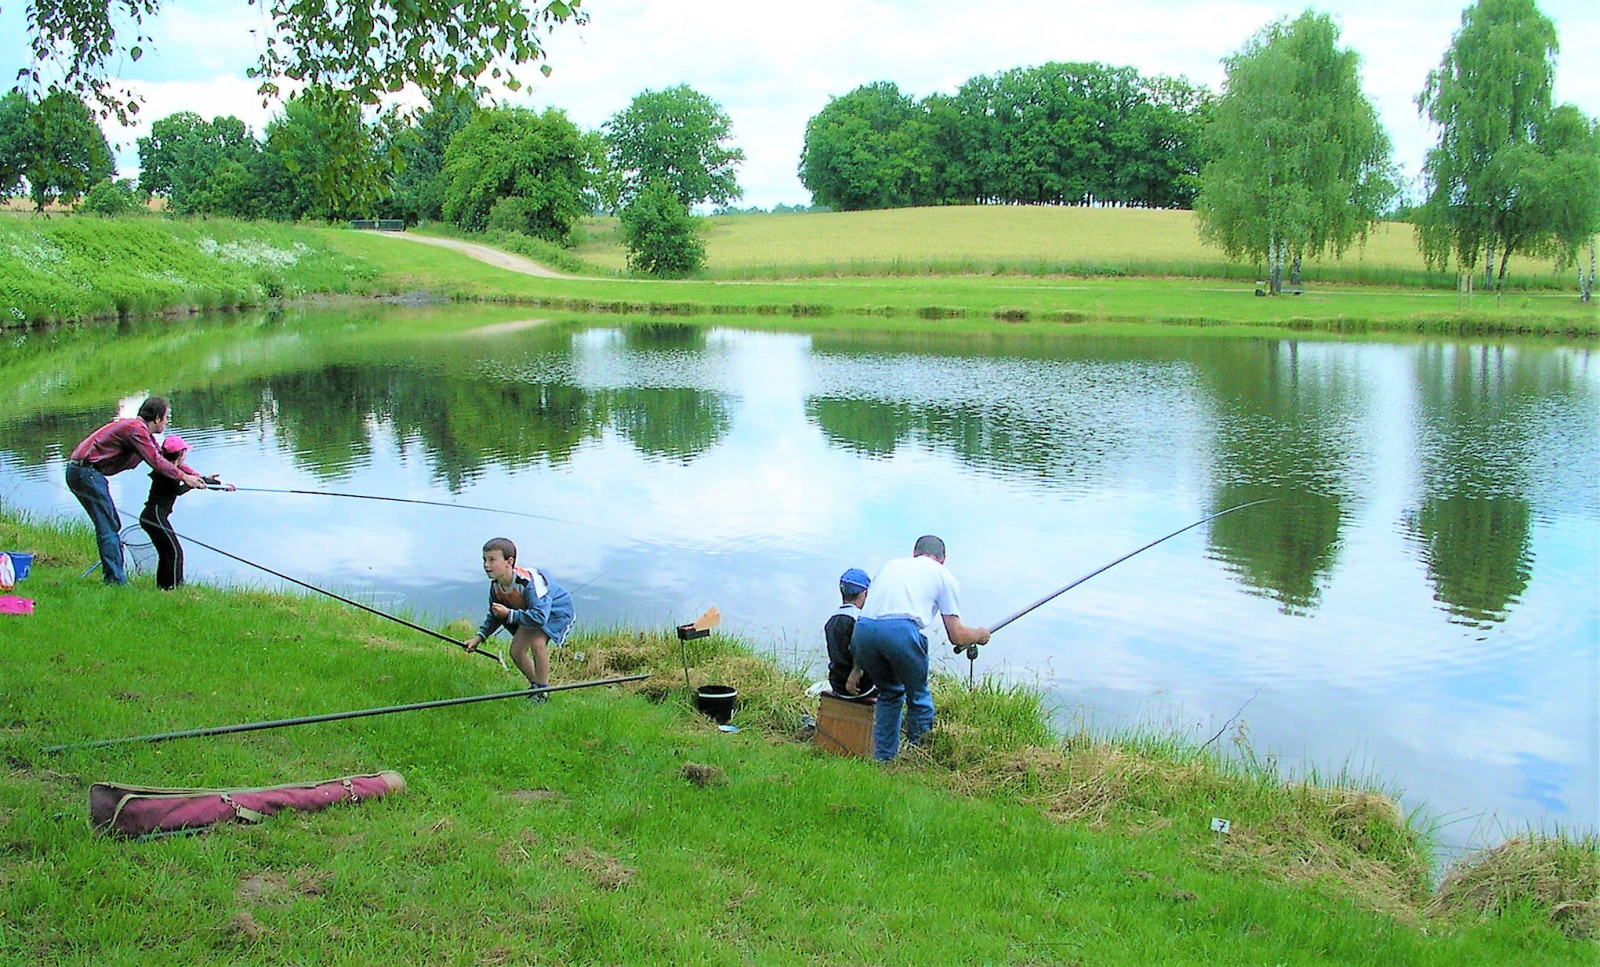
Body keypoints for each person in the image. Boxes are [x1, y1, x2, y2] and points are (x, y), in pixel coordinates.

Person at [846, 535, 990, 761]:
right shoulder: (944, 576)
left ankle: (883, 759)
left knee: (890, 694)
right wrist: (981, 635)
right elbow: (957, 635)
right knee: (919, 697)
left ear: (915, 553)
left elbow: (871, 613)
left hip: (863, 632)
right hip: (900, 632)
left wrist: (857, 668)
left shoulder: (891, 566)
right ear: (943, 559)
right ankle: (919, 756)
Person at [64, 397, 206, 585]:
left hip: (88, 473)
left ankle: (114, 576)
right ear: (156, 418)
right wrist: (184, 478)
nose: (166, 421)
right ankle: (115, 580)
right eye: (166, 417)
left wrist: (200, 478)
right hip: (85, 472)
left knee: (112, 523)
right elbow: (155, 462)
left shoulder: (144, 435)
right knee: (107, 525)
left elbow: (164, 459)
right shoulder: (135, 430)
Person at [461, 537, 575, 702]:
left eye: (492, 560)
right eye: (484, 560)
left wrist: (510, 614)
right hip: (532, 613)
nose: (486, 565)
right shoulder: (496, 586)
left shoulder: (527, 584)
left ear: (509, 561)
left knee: (537, 643)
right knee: (516, 650)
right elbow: (495, 615)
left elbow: (540, 617)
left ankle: (543, 692)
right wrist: (479, 637)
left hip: (556, 610)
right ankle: (535, 685)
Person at [138, 434, 232, 590]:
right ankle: (174, 587)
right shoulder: (167, 472)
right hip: (154, 516)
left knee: (168, 552)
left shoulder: (173, 469)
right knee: (174, 552)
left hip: (152, 516)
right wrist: (192, 484)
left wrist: (219, 485)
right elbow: (179, 490)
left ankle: (165, 588)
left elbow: (193, 480)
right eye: (185, 452)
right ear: (181, 453)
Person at [823, 567, 875, 699]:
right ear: (864, 593)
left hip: (837, 685)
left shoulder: (832, 621)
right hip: (862, 689)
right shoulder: (861, 621)